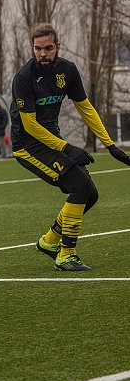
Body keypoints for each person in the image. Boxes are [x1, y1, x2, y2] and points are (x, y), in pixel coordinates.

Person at [11, 22, 130, 271]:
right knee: (81, 185)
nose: (42, 53)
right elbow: (30, 126)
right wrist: (67, 148)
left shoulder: (67, 70)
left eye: (48, 48)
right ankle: (66, 254)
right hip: (28, 146)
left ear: (57, 46)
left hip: (51, 140)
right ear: (32, 48)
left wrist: (110, 145)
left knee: (91, 194)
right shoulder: (23, 78)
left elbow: (85, 107)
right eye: (37, 48)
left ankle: (49, 241)